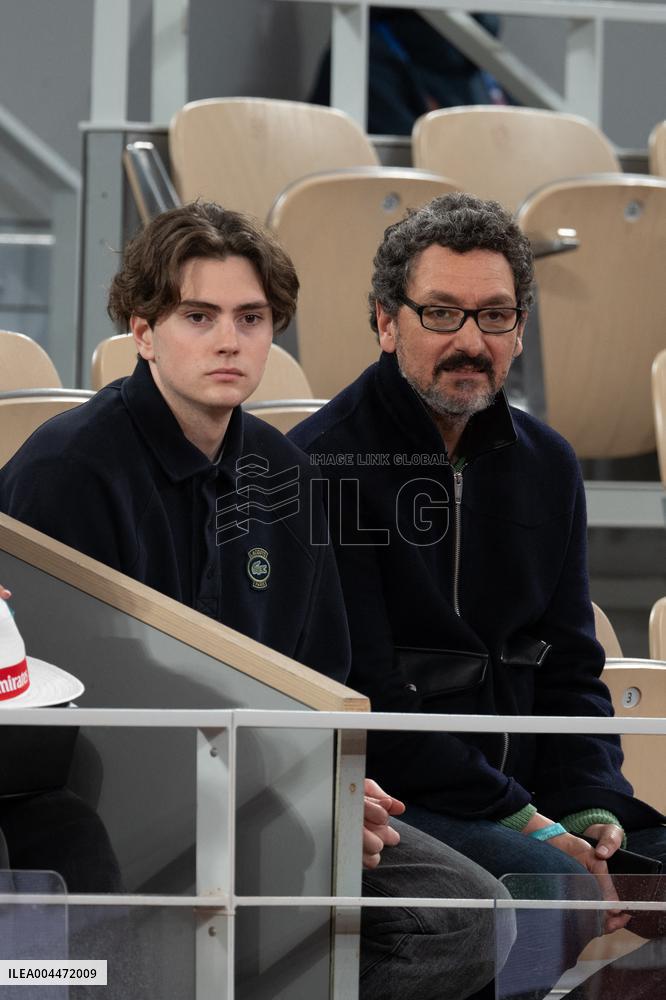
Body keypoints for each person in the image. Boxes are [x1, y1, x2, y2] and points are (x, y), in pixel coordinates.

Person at [0, 202, 512, 1000]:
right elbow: (68, 715)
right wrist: (297, 794)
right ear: (143, 330)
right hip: (114, 803)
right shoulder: (66, 471)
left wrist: (337, 788)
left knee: (467, 910)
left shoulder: (285, 473)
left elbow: (319, 675)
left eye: (251, 317)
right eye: (197, 316)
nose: (229, 340)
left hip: (263, 789)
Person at [289, 192, 666, 999]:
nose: (471, 341)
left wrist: (594, 805)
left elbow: (569, 666)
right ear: (386, 324)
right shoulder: (320, 464)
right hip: (403, 794)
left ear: (521, 328)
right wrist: (529, 820)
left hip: (530, 791)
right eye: (442, 313)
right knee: (550, 890)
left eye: (495, 316)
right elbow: (373, 703)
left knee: (652, 879)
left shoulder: (548, 463)